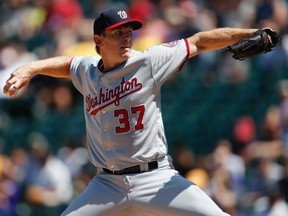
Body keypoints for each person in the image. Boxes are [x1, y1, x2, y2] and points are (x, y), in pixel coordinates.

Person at [3, 7, 276, 216]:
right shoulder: (87, 69)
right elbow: (67, 64)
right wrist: (31, 67)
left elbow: (199, 41)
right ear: (98, 40)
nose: (126, 38)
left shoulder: (148, 61)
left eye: (128, 31)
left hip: (156, 179)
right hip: (106, 184)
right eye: (118, 33)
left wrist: (249, 33)